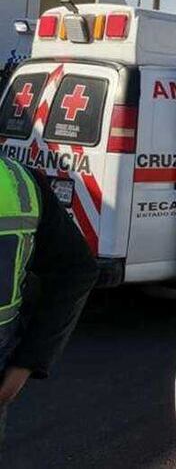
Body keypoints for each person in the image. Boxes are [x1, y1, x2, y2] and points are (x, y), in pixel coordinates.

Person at [0, 156, 98, 451]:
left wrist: (28, 362)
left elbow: (76, 271)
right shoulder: (19, 181)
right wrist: (28, 362)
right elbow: (77, 269)